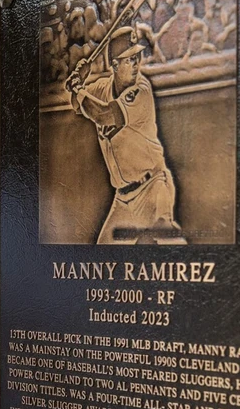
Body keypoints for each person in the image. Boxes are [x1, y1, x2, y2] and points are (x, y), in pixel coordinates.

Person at [66, 27, 186, 245]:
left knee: (169, 244)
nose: (136, 64)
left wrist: (79, 90)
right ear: (114, 65)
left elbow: (103, 116)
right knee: (103, 257)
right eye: (128, 59)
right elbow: (76, 105)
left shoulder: (141, 90)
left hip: (152, 187)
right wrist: (78, 83)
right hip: (123, 199)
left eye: (137, 57)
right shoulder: (102, 87)